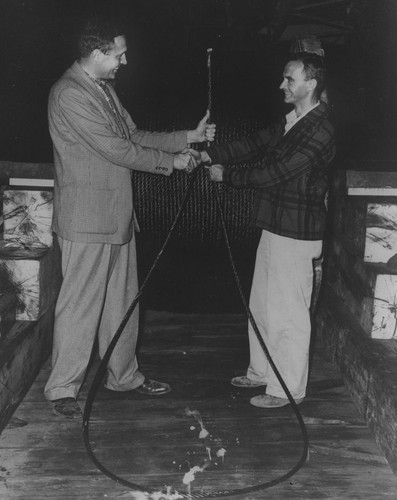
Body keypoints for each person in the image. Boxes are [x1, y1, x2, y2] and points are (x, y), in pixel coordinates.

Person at [45, 16, 215, 419]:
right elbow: (116, 150)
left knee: (122, 303)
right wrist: (171, 162)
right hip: (87, 219)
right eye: (119, 53)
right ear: (98, 52)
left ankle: (123, 376)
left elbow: (133, 137)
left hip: (117, 216)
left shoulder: (104, 89)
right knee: (80, 306)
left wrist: (187, 138)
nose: (125, 59)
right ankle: (61, 389)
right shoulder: (69, 94)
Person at [192, 53, 335, 408]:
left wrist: (228, 175)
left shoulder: (320, 128)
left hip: (297, 233)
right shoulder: (293, 120)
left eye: (290, 79)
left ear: (311, 83)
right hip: (274, 226)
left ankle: (286, 389)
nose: (281, 85)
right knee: (262, 305)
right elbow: (254, 143)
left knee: (288, 314)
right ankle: (260, 372)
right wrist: (211, 155)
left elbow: (278, 172)